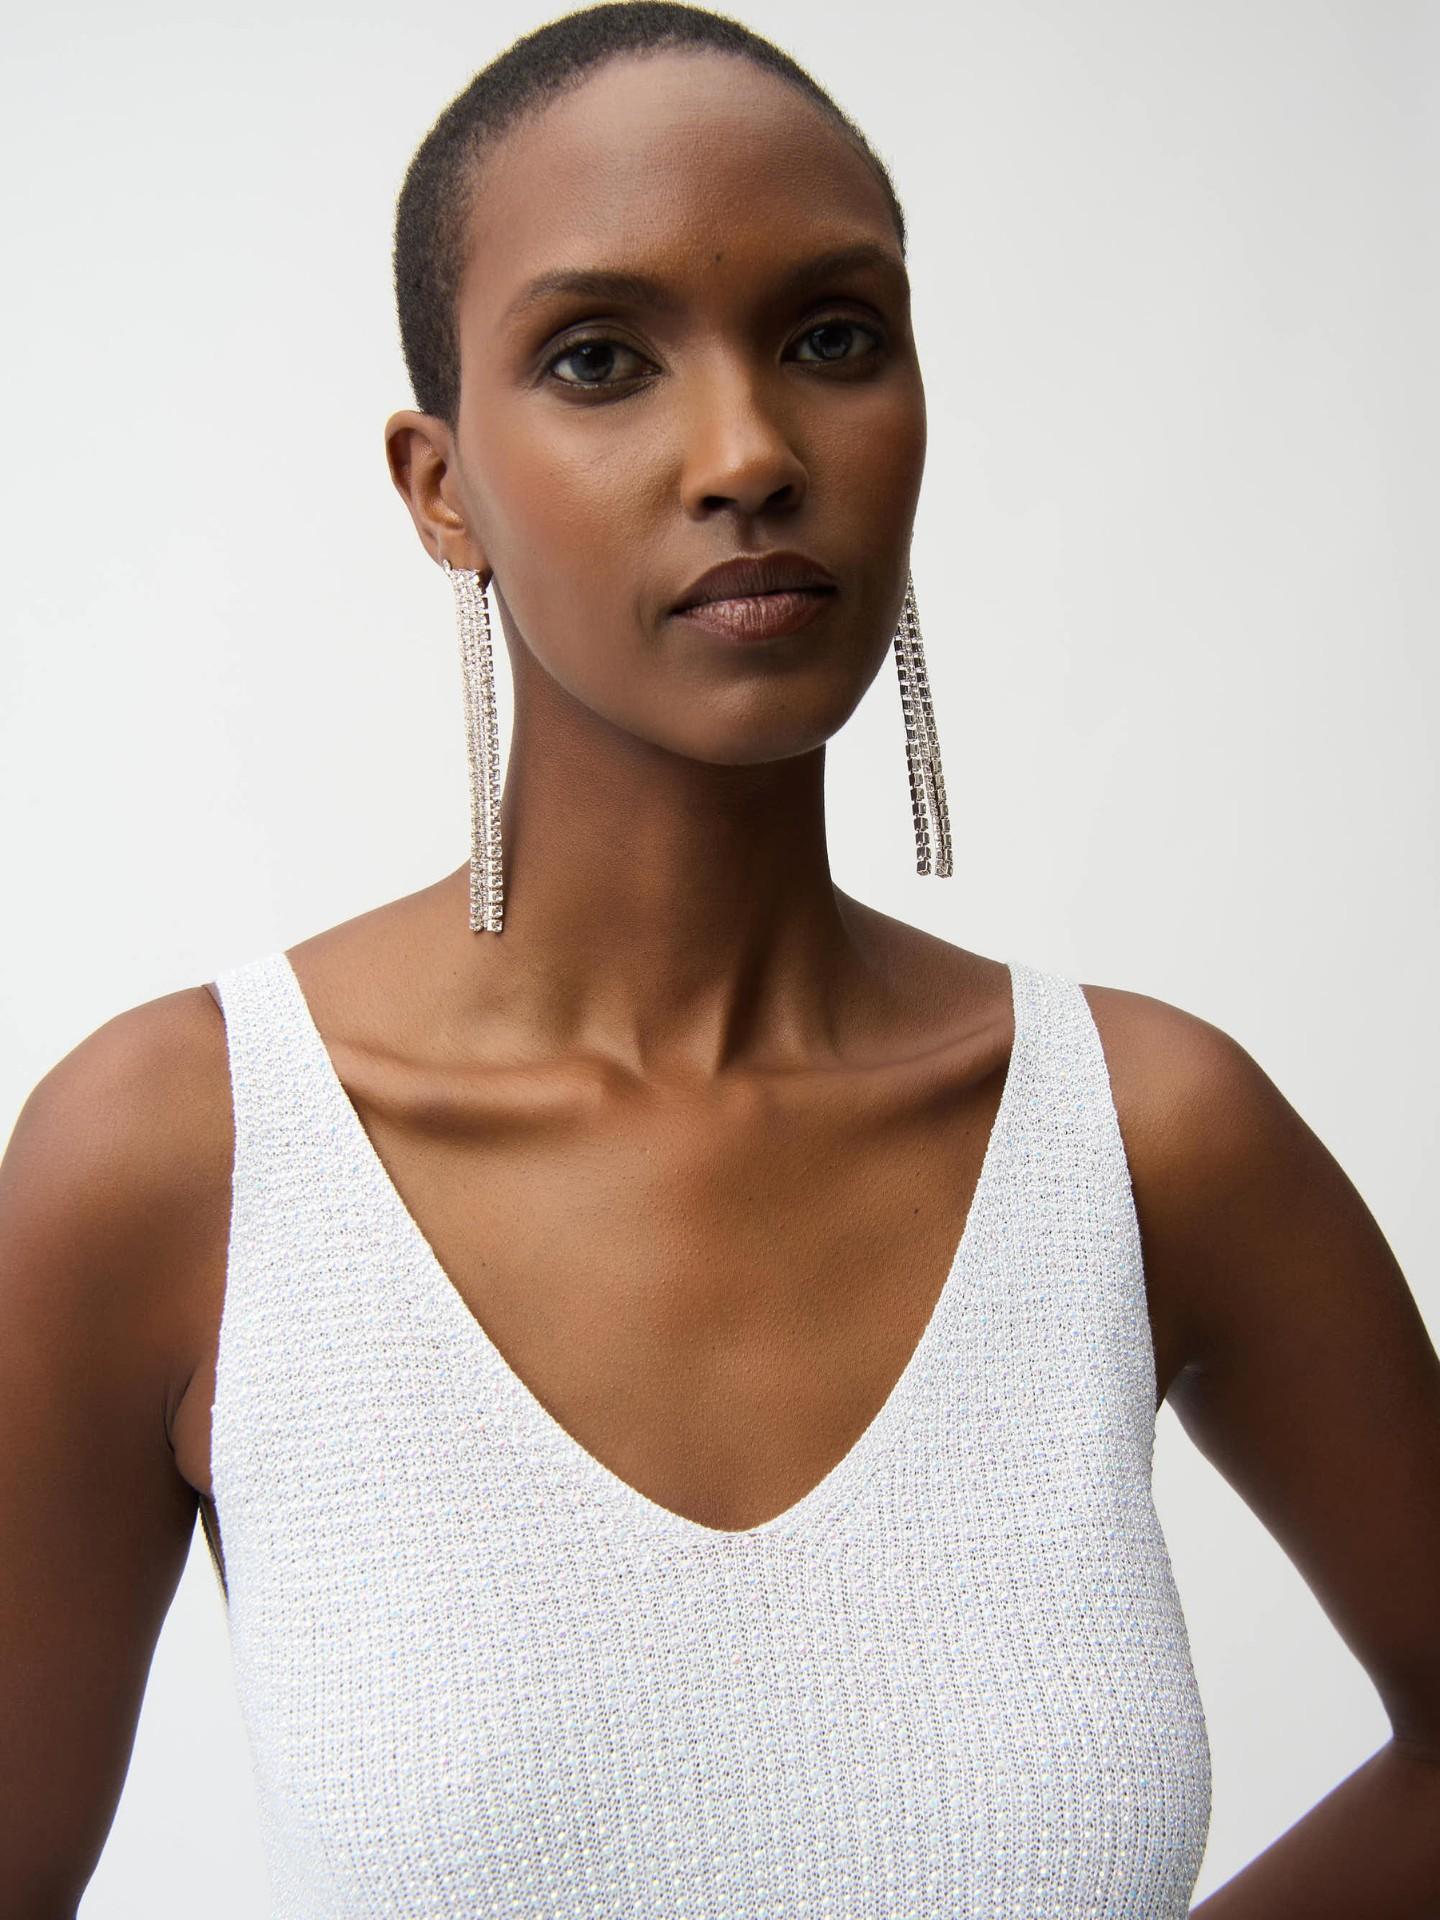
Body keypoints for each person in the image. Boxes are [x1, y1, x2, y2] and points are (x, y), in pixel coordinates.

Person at [3, 3, 1439, 1915]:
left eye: (833, 338)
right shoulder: (183, 1162)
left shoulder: (1150, 1137)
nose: (752, 452)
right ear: (441, 488)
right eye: (599, 360)